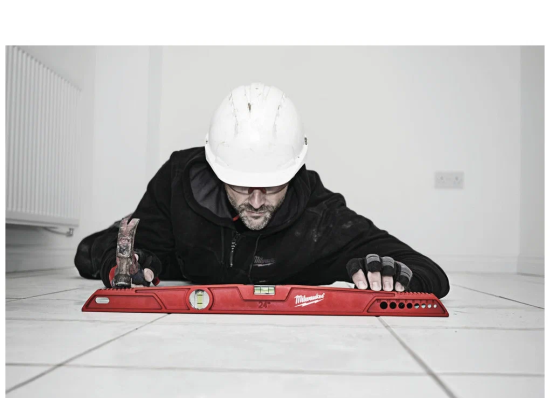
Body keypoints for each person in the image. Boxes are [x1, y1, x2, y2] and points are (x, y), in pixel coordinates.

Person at [74, 82, 450, 298]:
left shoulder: (321, 217)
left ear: (293, 171)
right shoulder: (177, 183)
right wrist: (125, 264)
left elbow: (431, 273)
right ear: (217, 170)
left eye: (271, 187)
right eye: (241, 185)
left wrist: (393, 275)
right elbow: (100, 252)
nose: (255, 202)